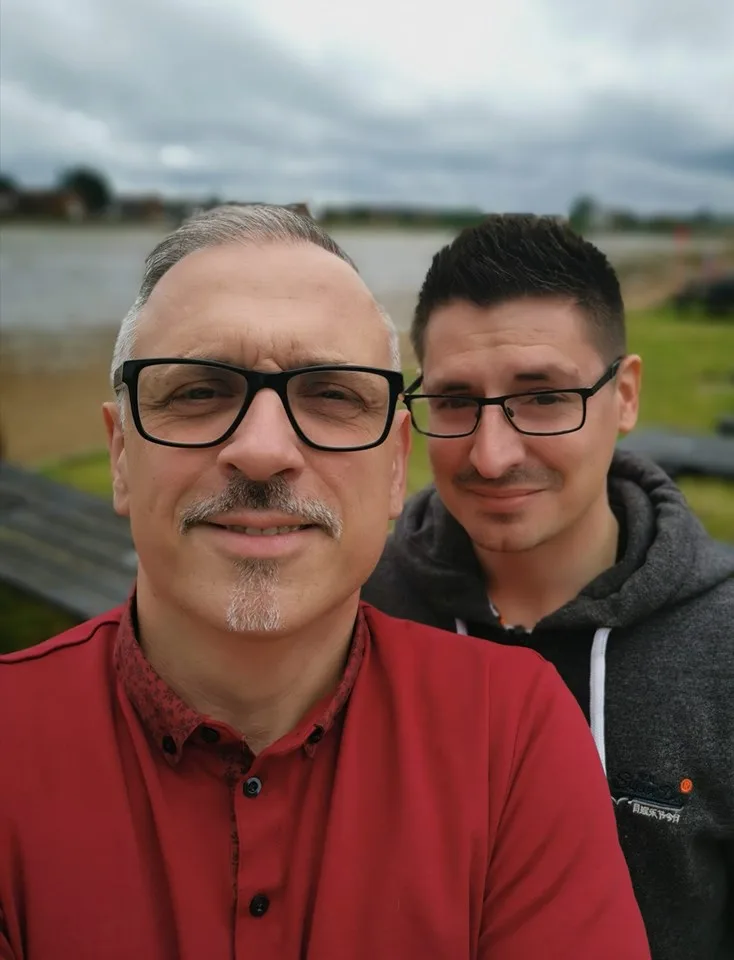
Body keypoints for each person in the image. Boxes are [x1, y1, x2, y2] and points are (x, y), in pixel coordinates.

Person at [0, 205, 650, 960]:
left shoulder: (512, 734)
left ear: (395, 467)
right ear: (120, 454)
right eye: (198, 392)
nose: (263, 450)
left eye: (333, 396)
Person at [363, 214, 734, 960]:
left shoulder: (722, 650)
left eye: (543, 397)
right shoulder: (356, 611)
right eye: (456, 401)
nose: (492, 456)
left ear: (624, 396)